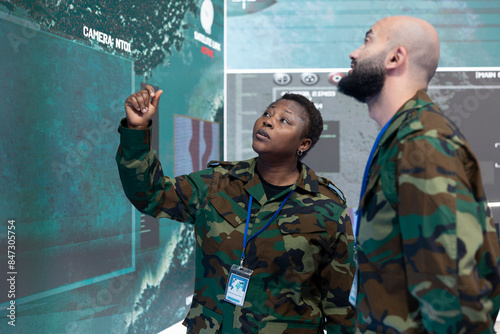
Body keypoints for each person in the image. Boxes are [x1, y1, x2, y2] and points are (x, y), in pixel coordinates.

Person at [116, 85, 355, 333]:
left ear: (303, 144)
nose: (268, 122)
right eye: (267, 113)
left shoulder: (328, 209)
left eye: (284, 120)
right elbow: (151, 195)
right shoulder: (217, 183)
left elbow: (338, 308)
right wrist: (137, 130)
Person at [337, 15, 500, 333]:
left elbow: (451, 286)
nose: (354, 53)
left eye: (368, 40)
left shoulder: (422, 140)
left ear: (396, 57)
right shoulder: (403, 136)